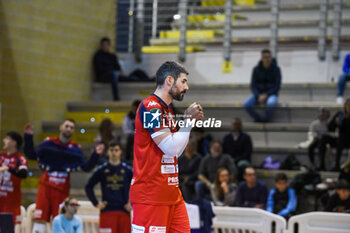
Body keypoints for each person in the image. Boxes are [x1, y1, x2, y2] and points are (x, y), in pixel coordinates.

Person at [129, 61, 204, 233]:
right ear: (169, 80)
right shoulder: (150, 107)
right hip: (151, 195)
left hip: (171, 194)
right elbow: (171, 149)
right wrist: (188, 122)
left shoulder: (167, 110)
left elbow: (176, 150)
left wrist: (188, 124)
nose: (187, 87)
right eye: (183, 81)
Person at [24, 119, 103, 233]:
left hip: (62, 189)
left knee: (60, 220)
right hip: (46, 186)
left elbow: (86, 168)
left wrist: (96, 154)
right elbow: (31, 155)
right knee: (40, 219)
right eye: (67, 126)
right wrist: (28, 136)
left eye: (71, 127)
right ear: (61, 127)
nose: (69, 129)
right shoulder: (48, 144)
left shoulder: (75, 149)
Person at [85, 141, 133, 233]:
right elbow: (88, 187)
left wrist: (132, 204)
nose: (114, 152)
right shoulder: (102, 169)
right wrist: (96, 203)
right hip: (107, 212)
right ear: (107, 152)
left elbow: (139, 186)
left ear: (120, 152)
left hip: (124, 212)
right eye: (111, 150)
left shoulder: (127, 170)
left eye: (116, 150)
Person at [244, 49, 282, 123]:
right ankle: (258, 118)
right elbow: (253, 85)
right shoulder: (256, 69)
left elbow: (277, 86)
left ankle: (265, 119)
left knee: (271, 103)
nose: (267, 59)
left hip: (271, 94)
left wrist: (266, 95)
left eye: (269, 57)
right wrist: (258, 95)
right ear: (262, 58)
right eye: (265, 57)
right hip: (258, 94)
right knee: (247, 104)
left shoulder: (276, 69)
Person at [0, 132, 28, 228]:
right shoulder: (1, 156)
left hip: (11, 202)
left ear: (14, 143)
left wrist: (9, 169)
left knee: (7, 229)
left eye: (7, 138)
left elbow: (23, 174)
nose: (4, 140)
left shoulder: (20, 158)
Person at [326, 98, 350, 170]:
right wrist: (336, 122)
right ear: (345, 106)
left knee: (341, 139)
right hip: (342, 140)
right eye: (348, 105)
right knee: (325, 139)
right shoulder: (341, 115)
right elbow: (331, 128)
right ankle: (335, 165)